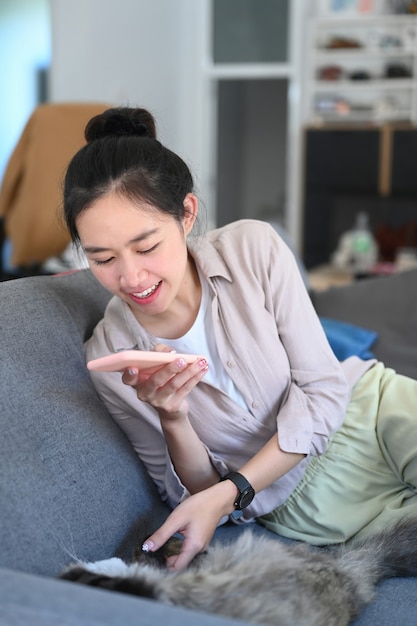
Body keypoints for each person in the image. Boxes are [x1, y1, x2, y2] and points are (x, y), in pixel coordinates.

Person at [63, 106, 417, 572]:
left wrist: (235, 490)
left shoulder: (253, 248)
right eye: (103, 258)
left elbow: (324, 389)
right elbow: (193, 495)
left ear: (186, 214)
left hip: (370, 409)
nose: (131, 277)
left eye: (147, 246)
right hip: (300, 501)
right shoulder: (109, 359)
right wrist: (173, 417)